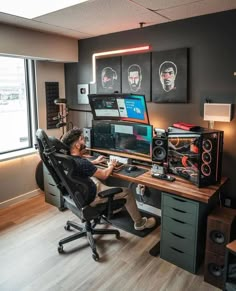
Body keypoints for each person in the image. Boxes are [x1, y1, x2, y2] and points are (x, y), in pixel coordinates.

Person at [61, 127, 156, 231]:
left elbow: (79, 167)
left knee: (95, 177)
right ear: (77, 145)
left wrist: (93, 162)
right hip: (90, 197)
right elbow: (104, 175)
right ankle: (139, 223)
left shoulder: (67, 159)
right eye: (82, 139)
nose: (85, 141)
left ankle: (112, 206)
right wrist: (111, 165)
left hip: (79, 193)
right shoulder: (83, 162)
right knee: (127, 192)